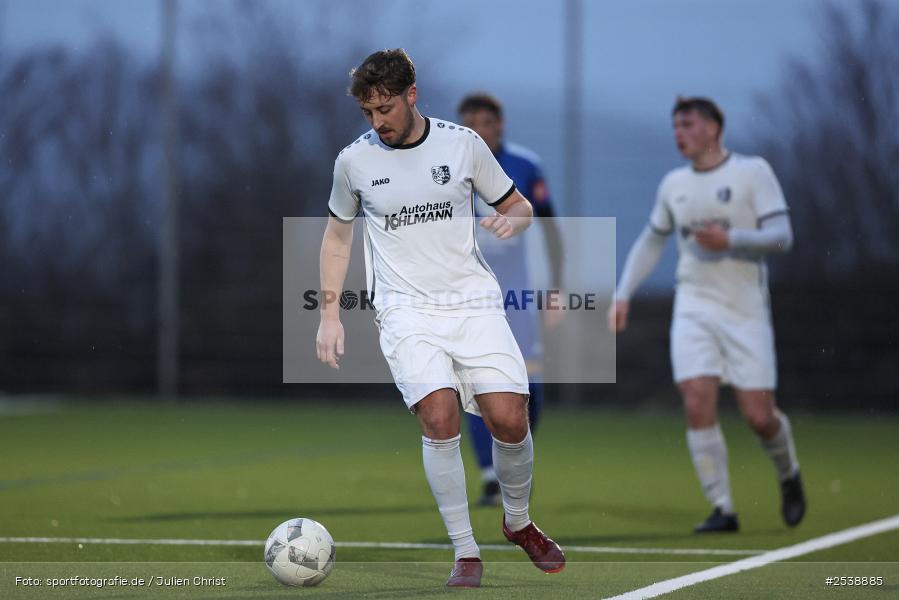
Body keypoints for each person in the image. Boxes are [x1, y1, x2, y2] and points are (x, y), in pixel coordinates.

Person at [317, 49, 565, 587]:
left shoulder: (463, 145)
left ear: (411, 96)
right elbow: (337, 236)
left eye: (385, 108)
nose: (377, 121)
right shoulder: (353, 162)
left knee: (509, 419)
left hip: (474, 304)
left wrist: (511, 223)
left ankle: (518, 522)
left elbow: (519, 206)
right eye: (367, 112)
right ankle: (465, 551)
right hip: (405, 311)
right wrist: (329, 315)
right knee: (439, 415)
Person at [608, 97, 806, 533]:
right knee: (696, 399)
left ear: (714, 128)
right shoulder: (674, 183)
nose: (679, 132)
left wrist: (732, 237)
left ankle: (788, 473)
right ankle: (723, 507)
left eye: (688, 124)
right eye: (676, 125)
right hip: (693, 306)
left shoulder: (752, 172)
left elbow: (783, 236)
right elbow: (652, 240)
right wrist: (623, 294)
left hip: (745, 311)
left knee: (759, 416)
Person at [457, 93, 564, 507]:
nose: (479, 129)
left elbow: (552, 231)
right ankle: (489, 473)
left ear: (500, 125)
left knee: (525, 384)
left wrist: (556, 287)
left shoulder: (525, 166)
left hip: (518, 296)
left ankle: (517, 454)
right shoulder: (447, 168)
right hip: (467, 295)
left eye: (486, 121)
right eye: (470, 122)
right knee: (473, 381)